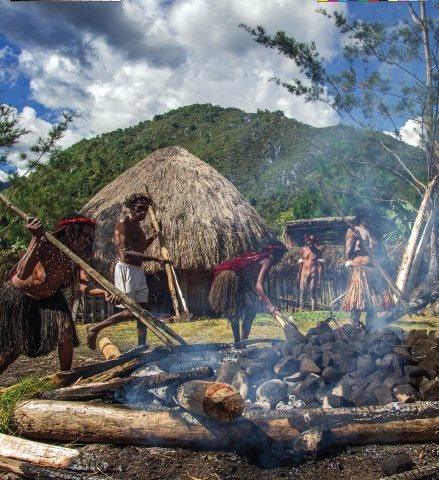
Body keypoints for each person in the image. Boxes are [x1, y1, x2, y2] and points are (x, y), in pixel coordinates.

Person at [0, 214, 119, 375]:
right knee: (14, 350)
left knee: (66, 329)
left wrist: (104, 292)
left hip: (51, 297)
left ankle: (65, 376)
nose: (87, 241)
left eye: (90, 238)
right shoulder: (44, 243)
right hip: (22, 296)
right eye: (84, 235)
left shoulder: (77, 257)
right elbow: (22, 273)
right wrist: (35, 238)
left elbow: (84, 284)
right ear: (69, 232)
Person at [86, 193, 170, 350]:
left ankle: (141, 346)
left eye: (146, 209)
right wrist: (155, 258)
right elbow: (126, 254)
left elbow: (140, 248)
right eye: (140, 208)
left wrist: (152, 237)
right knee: (130, 312)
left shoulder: (137, 225)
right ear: (131, 207)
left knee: (144, 312)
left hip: (138, 270)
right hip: (127, 271)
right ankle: (95, 328)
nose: (143, 212)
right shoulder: (123, 223)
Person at [208, 239, 288, 345]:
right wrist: (270, 306)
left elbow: (244, 276)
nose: (280, 259)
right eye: (280, 256)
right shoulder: (268, 260)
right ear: (274, 253)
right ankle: (240, 344)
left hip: (229, 278)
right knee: (237, 311)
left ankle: (241, 342)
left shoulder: (258, 257)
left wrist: (252, 291)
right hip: (229, 279)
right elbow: (259, 285)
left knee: (247, 310)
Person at [341, 207, 394, 328]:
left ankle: (370, 326)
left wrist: (383, 261)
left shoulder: (374, 233)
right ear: (361, 217)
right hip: (360, 270)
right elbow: (348, 254)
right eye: (367, 217)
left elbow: (382, 252)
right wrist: (355, 240)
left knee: (373, 302)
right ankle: (354, 325)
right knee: (357, 301)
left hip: (373, 271)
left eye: (371, 217)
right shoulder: (353, 231)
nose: (369, 219)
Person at [296, 235, 324, 311]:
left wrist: (319, 279)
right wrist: (298, 275)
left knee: (312, 291)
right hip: (304, 272)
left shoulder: (318, 252)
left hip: (313, 272)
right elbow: (301, 263)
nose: (311, 245)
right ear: (307, 243)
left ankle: (313, 309)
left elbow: (319, 266)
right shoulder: (303, 250)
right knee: (302, 290)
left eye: (313, 244)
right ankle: (301, 308)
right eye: (310, 243)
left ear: (315, 244)